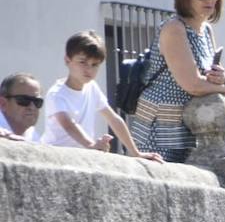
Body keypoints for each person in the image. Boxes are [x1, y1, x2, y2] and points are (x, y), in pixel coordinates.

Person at [129, 0, 225, 163]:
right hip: (160, 125)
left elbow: (202, 77)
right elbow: (191, 83)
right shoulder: (174, 28)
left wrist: (220, 79)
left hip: (188, 126)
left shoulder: (206, 30)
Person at [39, 32, 161, 161]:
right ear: (67, 60)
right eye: (82, 62)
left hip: (81, 158)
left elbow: (113, 119)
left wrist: (136, 153)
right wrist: (91, 145)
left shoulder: (92, 87)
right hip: (54, 157)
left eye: (94, 64)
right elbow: (68, 124)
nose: (89, 69)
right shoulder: (56, 94)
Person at [1, 72, 42, 141]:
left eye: (37, 101)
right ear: (3, 104)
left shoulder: (33, 135)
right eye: (24, 100)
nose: (32, 107)